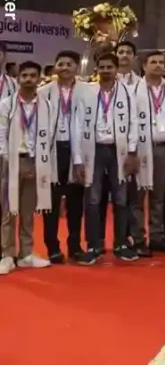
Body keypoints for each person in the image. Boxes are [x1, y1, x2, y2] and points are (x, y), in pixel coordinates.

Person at [79, 54, 140, 262]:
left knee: (121, 198)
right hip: (94, 149)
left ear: (116, 69)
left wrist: (132, 151)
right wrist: (79, 157)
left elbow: (133, 123)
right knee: (93, 200)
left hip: (118, 150)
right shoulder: (87, 92)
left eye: (109, 67)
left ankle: (121, 243)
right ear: (96, 69)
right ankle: (94, 245)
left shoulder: (128, 93)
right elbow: (79, 124)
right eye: (102, 67)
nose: (106, 70)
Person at [0, 61, 55, 274]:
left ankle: (26, 254)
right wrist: (6, 160)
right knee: (7, 211)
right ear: (18, 78)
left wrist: (39, 162)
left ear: (39, 78)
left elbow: (48, 136)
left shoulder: (46, 105)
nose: (29, 79)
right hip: (10, 161)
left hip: (34, 161)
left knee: (27, 211)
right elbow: (1, 134)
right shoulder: (6, 104)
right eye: (25, 75)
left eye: (33, 75)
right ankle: (6, 255)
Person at [38, 51, 89, 264]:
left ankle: (75, 245)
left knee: (76, 203)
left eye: (69, 64)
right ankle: (52, 247)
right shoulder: (43, 92)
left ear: (77, 67)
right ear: (55, 67)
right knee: (51, 201)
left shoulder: (88, 91)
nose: (65, 67)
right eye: (61, 64)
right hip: (53, 150)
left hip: (79, 150)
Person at [130, 51, 165, 255]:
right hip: (142, 148)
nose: (158, 65)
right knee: (138, 196)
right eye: (153, 62)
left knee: (159, 196)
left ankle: (157, 237)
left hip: (164, 147)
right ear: (144, 66)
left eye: (161, 62)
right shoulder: (132, 91)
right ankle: (139, 238)